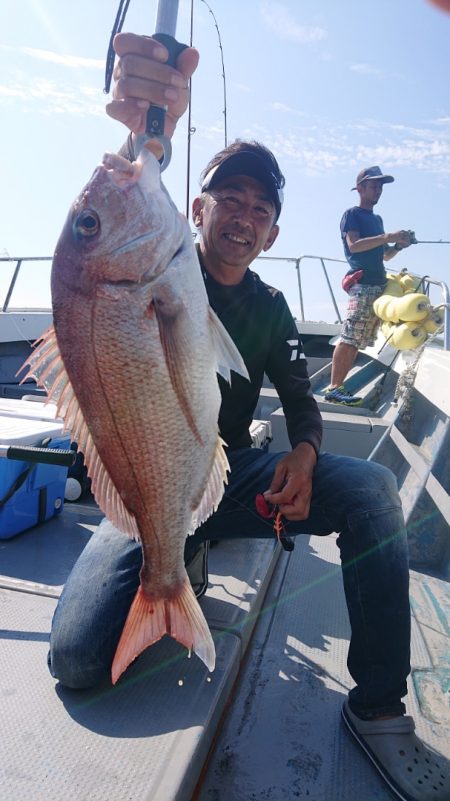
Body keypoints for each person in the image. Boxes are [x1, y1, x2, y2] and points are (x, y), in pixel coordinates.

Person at [47, 34, 449, 801]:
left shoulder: (269, 306)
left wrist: (306, 450)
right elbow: (127, 194)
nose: (244, 215)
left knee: (370, 491)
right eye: (228, 198)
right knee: (74, 658)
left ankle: (379, 709)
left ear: (272, 235)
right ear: (195, 209)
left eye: (261, 209)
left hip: (230, 476)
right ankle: (174, 564)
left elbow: (300, 396)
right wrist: (149, 128)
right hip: (149, 493)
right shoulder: (164, 267)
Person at [324, 165, 412, 405]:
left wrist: (398, 246)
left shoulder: (377, 220)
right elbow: (354, 246)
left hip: (378, 286)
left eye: (381, 186)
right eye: (374, 185)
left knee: (357, 340)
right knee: (350, 337)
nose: (379, 190)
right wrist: (388, 237)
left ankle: (337, 388)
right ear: (360, 188)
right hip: (362, 285)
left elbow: (385, 256)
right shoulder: (352, 214)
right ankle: (334, 388)